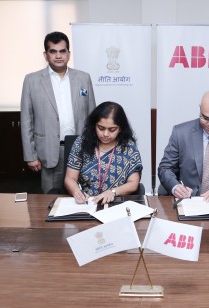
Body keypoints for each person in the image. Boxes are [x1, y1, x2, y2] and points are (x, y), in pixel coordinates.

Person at [21, 31, 96, 193]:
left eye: (62, 51)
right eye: (53, 51)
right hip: (48, 151)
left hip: (80, 148)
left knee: (82, 196)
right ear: (45, 54)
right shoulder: (31, 81)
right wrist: (30, 155)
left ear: (68, 54)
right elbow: (27, 120)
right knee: (51, 197)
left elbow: (92, 116)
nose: (58, 56)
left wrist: (93, 147)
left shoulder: (83, 78)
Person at [64, 101, 143, 205]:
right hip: (87, 203)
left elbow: (133, 183)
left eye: (112, 130)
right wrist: (77, 192)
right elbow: (70, 178)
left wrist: (113, 192)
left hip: (115, 203)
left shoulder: (129, 147)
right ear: (94, 125)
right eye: (101, 128)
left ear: (120, 129)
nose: (105, 134)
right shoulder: (82, 143)